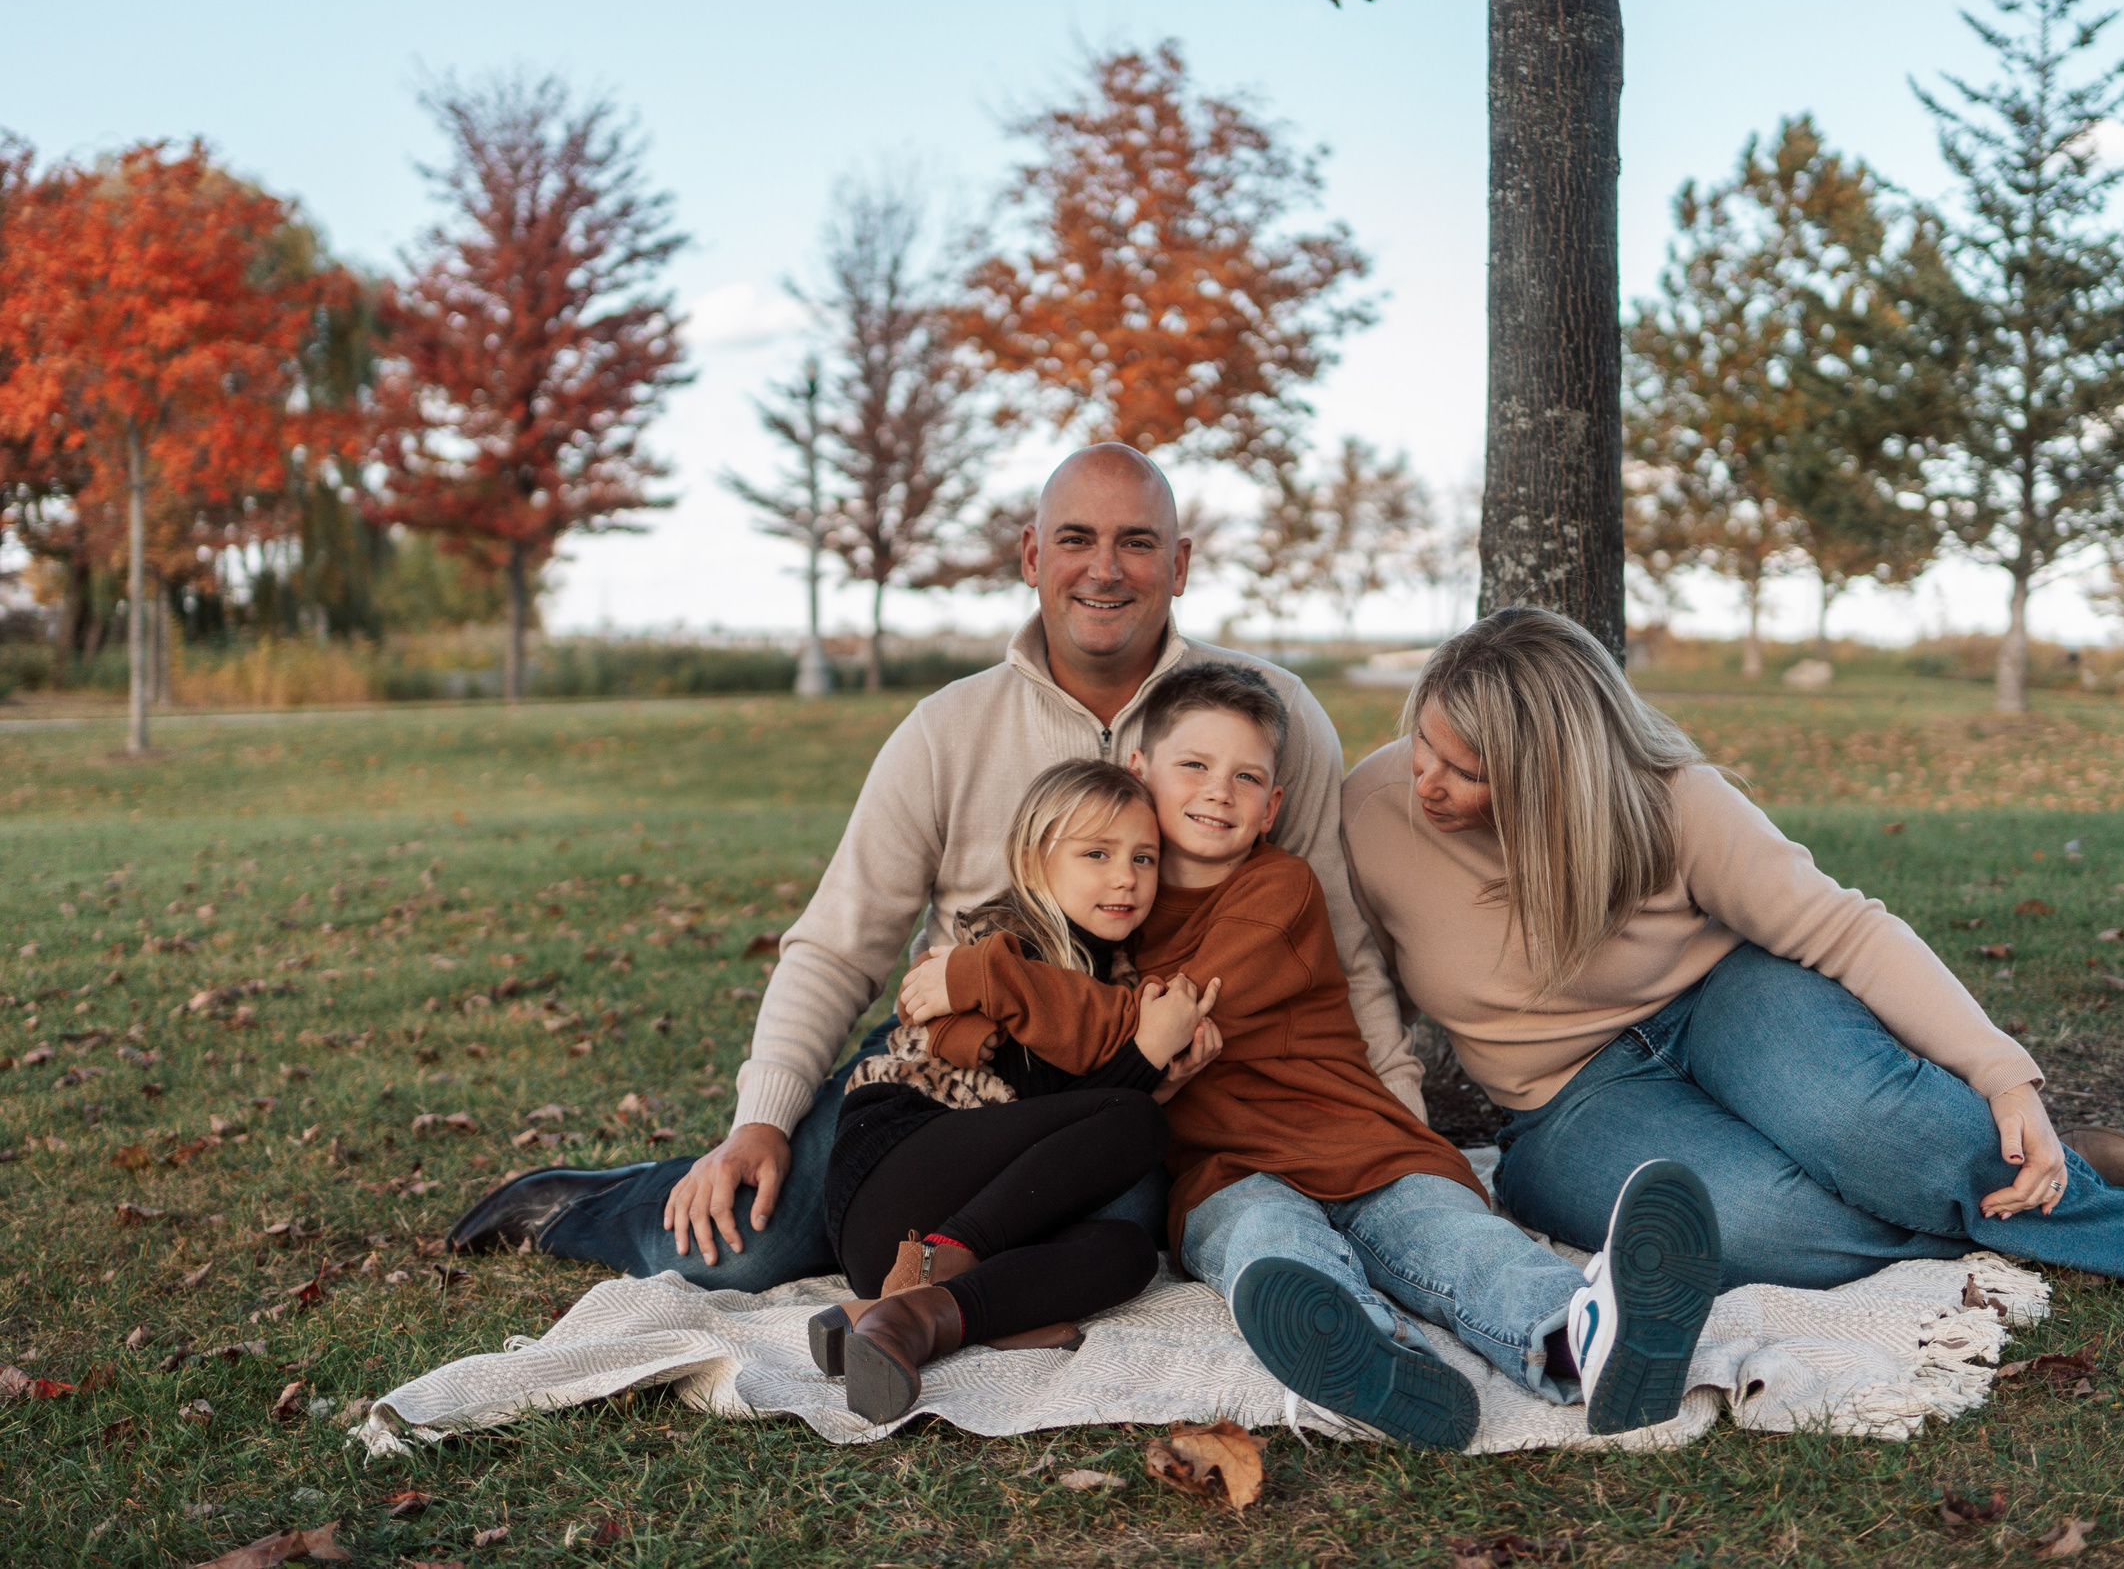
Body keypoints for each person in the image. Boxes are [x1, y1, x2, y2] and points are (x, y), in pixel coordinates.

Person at [444, 444, 1424, 1284]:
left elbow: (1342, 944)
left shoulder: (1266, 716)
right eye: (1076, 539)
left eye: (1136, 541)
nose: (1105, 569)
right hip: (957, 1063)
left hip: (1136, 1083)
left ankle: (940, 1283)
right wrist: (760, 1120)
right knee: (736, 1252)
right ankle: (577, 1205)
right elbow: (838, 944)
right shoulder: (947, 729)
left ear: (1180, 561)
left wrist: (1406, 1130)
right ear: (1033, 556)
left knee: (1108, 1249)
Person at [1339, 607, 2124, 1296]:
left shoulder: (1670, 800)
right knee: (1754, 1227)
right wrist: (1410, 1142)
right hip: (1562, 1104)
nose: (1426, 778)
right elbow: (1368, 992)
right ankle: (2010, 1193)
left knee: (1877, 1128)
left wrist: (2002, 1074)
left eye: (1468, 769)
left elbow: (1847, 929)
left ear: (1557, 773)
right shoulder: (1371, 810)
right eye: (1423, 741)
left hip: (1724, 999)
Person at [901, 662, 1724, 1445]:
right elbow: (1037, 1034)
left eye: (1247, 778)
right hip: (1224, 1171)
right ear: (1138, 769)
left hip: (1360, 1145)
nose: (1219, 792)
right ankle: (1371, 1362)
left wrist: (979, 976)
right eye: (1194, 765)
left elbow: (1159, 1022)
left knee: (1457, 1244)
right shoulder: (1104, 912)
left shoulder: (1278, 889)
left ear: (1272, 807)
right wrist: (969, 1017)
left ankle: (1588, 1335)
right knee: (1268, 1251)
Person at [805, 758, 1221, 1423]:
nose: (1126, 876)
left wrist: (1166, 1076)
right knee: (1137, 1122)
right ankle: (945, 1269)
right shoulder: (1004, 951)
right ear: (1034, 862)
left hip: (917, 1241)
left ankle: (914, 1318)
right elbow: (1038, 1096)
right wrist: (1147, 1055)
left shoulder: (1110, 980)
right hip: (899, 1161)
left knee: (1126, 1251)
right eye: (1098, 853)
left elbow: (1065, 1128)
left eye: (1146, 858)